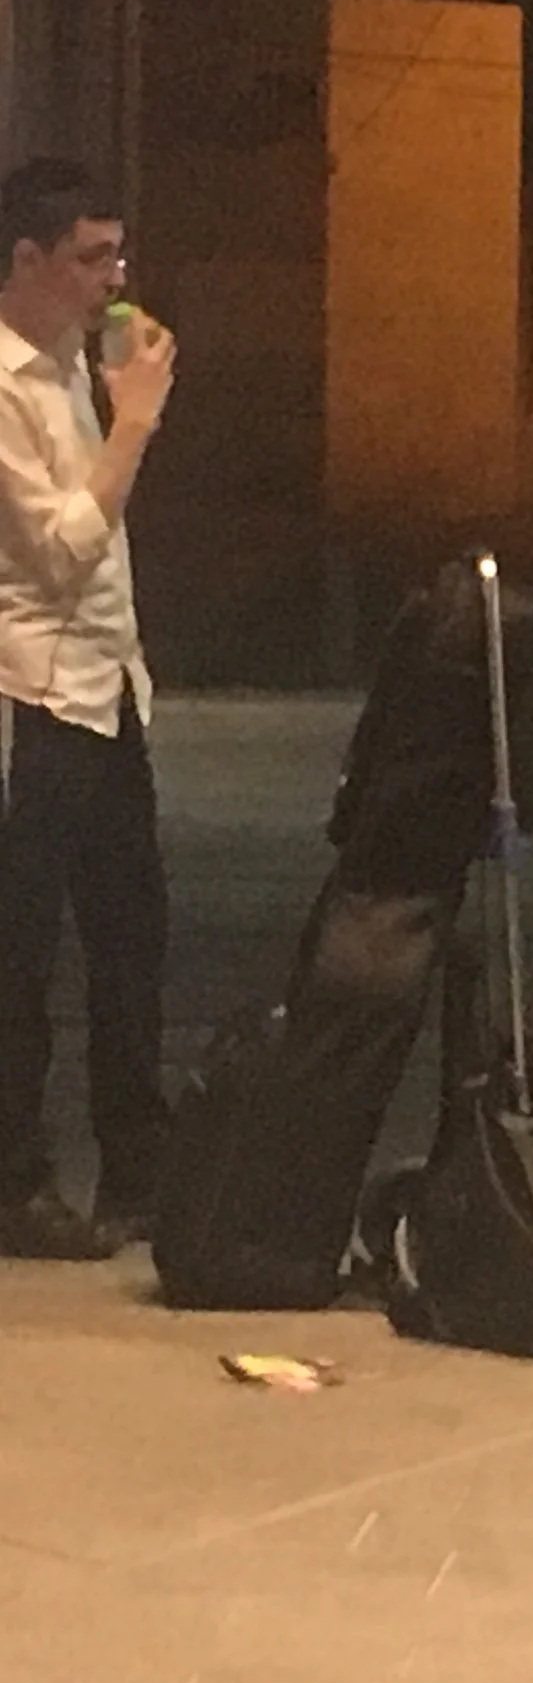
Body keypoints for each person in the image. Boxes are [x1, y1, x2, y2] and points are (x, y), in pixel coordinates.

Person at [0, 158, 180, 1259]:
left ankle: (138, 1170)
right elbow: (63, 548)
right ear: (26, 260)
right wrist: (134, 426)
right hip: (32, 696)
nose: (112, 280)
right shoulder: (7, 386)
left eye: (119, 255)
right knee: (22, 951)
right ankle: (18, 1180)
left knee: (131, 937)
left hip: (109, 690)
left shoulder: (73, 364)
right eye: (89, 258)